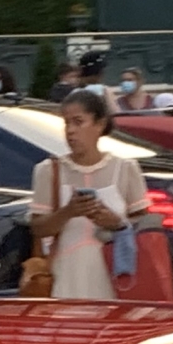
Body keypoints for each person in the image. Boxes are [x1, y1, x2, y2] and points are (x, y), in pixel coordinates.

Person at [29, 87, 144, 301]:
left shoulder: (125, 168)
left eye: (78, 122)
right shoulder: (49, 170)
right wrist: (69, 212)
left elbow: (145, 226)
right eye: (67, 123)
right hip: (64, 279)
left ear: (99, 125)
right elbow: (38, 228)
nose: (70, 131)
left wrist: (117, 223)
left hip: (116, 280)